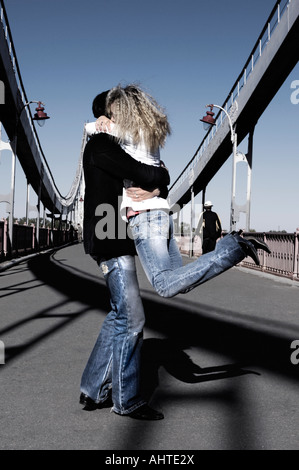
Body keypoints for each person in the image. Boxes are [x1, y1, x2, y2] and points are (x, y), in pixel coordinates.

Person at [93, 85, 271, 299]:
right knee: (179, 281)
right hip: (161, 214)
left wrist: (100, 119)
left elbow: (92, 130)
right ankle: (233, 245)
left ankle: (234, 247)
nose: (111, 118)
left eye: (113, 113)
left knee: (164, 285)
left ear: (123, 110)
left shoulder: (126, 131)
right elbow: (161, 169)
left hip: (145, 217)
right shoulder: (148, 129)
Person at [80, 89, 170, 420]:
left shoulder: (117, 145)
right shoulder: (102, 145)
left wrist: (159, 181)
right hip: (110, 238)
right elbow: (149, 173)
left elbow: (152, 171)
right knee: (133, 319)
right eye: (120, 112)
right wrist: (160, 179)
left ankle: (92, 388)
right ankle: (127, 400)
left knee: (120, 314)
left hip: (113, 236)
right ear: (107, 116)